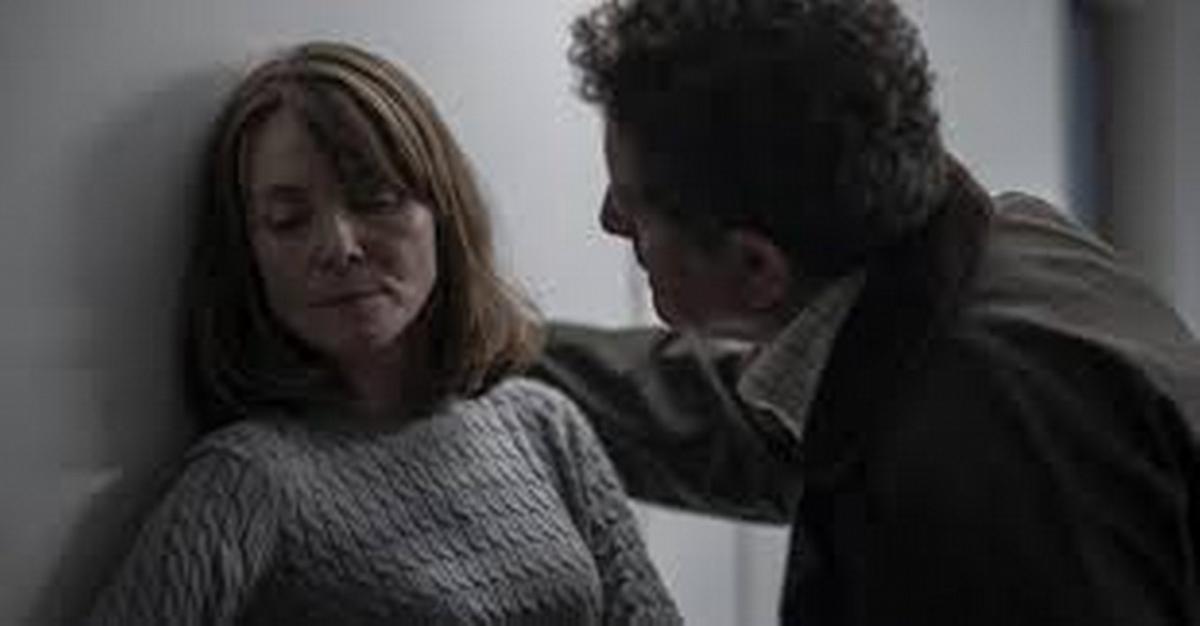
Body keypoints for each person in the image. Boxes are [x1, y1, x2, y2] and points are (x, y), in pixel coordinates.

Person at [531, 0, 1200, 624]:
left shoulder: (969, 472)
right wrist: (499, 347)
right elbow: (738, 419)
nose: (609, 220)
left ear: (757, 267)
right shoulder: (990, 264)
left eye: (635, 205)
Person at [85, 41, 680, 625]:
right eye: (288, 220)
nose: (339, 246)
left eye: (376, 198)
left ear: (440, 213)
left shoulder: (544, 425)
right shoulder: (246, 481)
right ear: (248, 255)